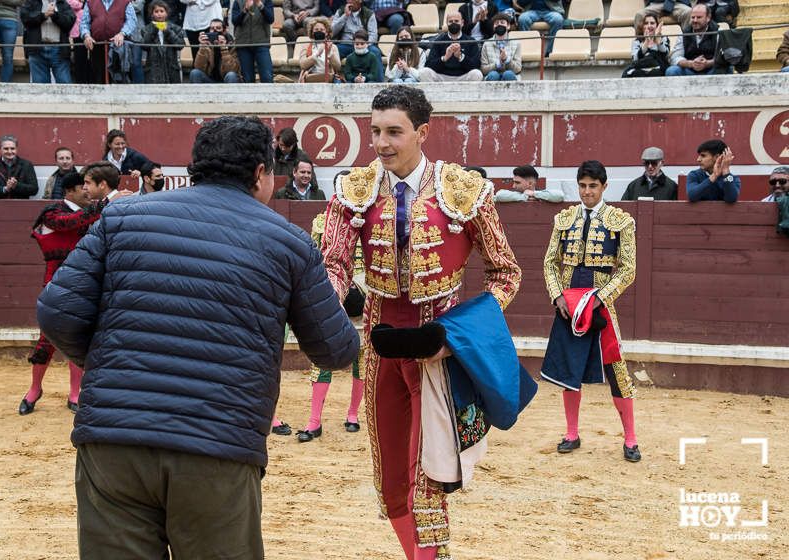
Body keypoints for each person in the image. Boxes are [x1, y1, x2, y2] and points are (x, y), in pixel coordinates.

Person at [37, 116, 358, 558]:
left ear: (195, 167)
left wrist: (108, 364)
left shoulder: (122, 217)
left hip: (114, 440)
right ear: (261, 174)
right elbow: (335, 349)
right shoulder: (288, 243)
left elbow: (56, 311)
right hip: (217, 445)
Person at [319, 85, 522, 559]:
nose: (382, 143)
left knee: (426, 481)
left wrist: (458, 338)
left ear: (422, 132)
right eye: (375, 132)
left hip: (438, 353)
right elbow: (333, 263)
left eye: (394, 132)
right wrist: (330, 302)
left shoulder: (465, 192)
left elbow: (506, 273)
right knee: (392, 484)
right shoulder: (354, 191)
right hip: (380, 347)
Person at [540, 160, 641, 463]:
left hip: (601, 306)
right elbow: (549, 263)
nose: (587, 192)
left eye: (593, 186)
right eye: (582, 186)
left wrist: (601, 298)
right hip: (569, 306)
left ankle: (631, 438)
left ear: (604, 186)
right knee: (570, 368)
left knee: (617, 369)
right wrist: (557, 296)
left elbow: (628, 269)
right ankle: (572, 433)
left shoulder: (621, 221)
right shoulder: (564, 219)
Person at [20, 172, 108, 415]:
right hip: (56, 283)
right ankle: (34, 389)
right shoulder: (52, 212)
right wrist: (104, 204)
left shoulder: (91, 213)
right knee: (46, 339)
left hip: (86, 282)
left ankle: (74, 392)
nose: (87, 193)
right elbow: (68, 224)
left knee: (79, 335)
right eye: (83, 188)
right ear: (70, 191)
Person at [295, 210, 365, 442]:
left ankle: (353, 415)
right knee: (322, 357)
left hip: (368, 294)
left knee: (362, 359)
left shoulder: (375, 217)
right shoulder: (322, 222)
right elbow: (316, 259)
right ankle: (314, 421)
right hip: (333, 290)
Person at [79, 0, 138, 84]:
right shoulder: (90, 2)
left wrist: (122, 33)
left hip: (119, 46)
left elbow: (132, 20)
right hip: (97, 46)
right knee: (99, 78)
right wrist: (86, 35)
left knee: (120, 79)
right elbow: (84, 23)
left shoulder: (125, 2)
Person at [21, 0, 76, 83]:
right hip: (37, 50)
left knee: (65, 87)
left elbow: (70, 22)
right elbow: (25, 17)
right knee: (41, 90)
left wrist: (55, 15)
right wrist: (44, 15)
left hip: (59, 51)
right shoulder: (31, 2)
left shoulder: (62, 3)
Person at [420, 11, 483, 82]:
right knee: (424, 72)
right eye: (450, 21)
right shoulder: (439, 41)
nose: (453, 23)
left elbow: (476, 65)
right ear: (447, 23)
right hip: (442, 77)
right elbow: (429, 65)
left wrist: (460, 56)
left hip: (463, 77)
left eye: (456, 21)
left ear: (462, 23)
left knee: (477, 74)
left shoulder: (470, 41)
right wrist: (444, 58)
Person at [331, 0, 383, 81]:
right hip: (345, 44)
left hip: (363, 44)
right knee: (331, 50)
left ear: (360, 1)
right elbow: (332, 32)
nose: (349, 1)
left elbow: (373, 35)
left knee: (375, 51)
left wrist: (363, 45)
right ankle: (334, 80)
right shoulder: (340, 11)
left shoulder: (369, 13)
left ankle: (380, 83)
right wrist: (345, 16)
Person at [665, 3, 718, 76]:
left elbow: (723, 57)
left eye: (699, 17)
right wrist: (691, 63)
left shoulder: (718, 31)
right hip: (690, 71)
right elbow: (675, 57)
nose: (695, 20)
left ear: (708, 18)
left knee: (727, 68)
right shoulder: (684, 33)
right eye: (693, 17)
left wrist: (707, 63)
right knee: (672, 71)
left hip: (711, 70)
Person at [141, 0, 186, 83]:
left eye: (162, 11)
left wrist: (168, 32)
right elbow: (144, 45)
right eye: (156, 11)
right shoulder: (146, 29)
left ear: (166, 13)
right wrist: (154, 30)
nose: (159, 14)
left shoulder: (175, 28)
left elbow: (181, 45)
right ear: (152, 14)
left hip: (171, 68)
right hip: (153, 70)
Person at [0, 135, 39, 199]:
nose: (9, 151)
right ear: (0, 149)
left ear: (16, 149)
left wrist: (17, 186)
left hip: (21, 207)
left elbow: (34, 189)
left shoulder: (27, 165)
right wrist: (5, 189)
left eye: (12, 148)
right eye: (6, 149)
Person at [231, 0, 275, 83]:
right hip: (243, 44)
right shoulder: (238, 2)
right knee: (248, 79)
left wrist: (261, 6)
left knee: (267, 76)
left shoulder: (266, 1)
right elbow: (235, 21)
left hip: (261, 42)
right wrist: (245, 10)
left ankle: (269, 95)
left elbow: (271, 19)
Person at [189, 18, 241, 83]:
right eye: (212, 28)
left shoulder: (232, 46)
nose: (215, 31)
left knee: (231, 75)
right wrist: (202, 47)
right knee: (195, 73)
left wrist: (224, 49)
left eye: (218, 28)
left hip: (226, 80)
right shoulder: (207, 45)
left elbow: (233, 70)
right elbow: (199, 68)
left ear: (224, 31)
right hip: (210, 80)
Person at [622, 13, 670, 78]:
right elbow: (635, 59)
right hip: (640, 69)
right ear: (642, 26)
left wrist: (658, 40)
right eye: (646, 23)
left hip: (658, 69)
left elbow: (665, 55)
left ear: (657, 26)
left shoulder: (664, 39)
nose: (649, 26)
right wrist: (646, 43)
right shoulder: (637, 41)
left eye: (652, 23)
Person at [298, 17, 341, 83]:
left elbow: (338, 67)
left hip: (329, 77)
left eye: (322, 30)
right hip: (311, 77)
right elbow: (303, 65)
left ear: (326, 32)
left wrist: (329, 53)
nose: (319, 31)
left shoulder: (333, 47)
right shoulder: (306, 46)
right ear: (312, 32)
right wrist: (317, 54)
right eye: (316, 29)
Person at [480, 12, 521, 81]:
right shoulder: (486, 44)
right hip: (492, 76)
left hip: (510, 75)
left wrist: (507, 60)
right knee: (493, 75)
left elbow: (518, 69)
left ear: (508, 26)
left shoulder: (516, 43)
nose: (499, 24)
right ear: (493, 27)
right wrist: (497, 64)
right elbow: (484, 70)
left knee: (508, 74)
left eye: (502, 22)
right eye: (496, 23)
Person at [495, 165, 564, 202]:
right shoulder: (513, 195)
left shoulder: (540, 194)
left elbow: (560, 196)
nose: (513, 186)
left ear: (530, 183)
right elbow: (499, 195)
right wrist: (524, 197)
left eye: (517, 183)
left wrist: (534, 194)